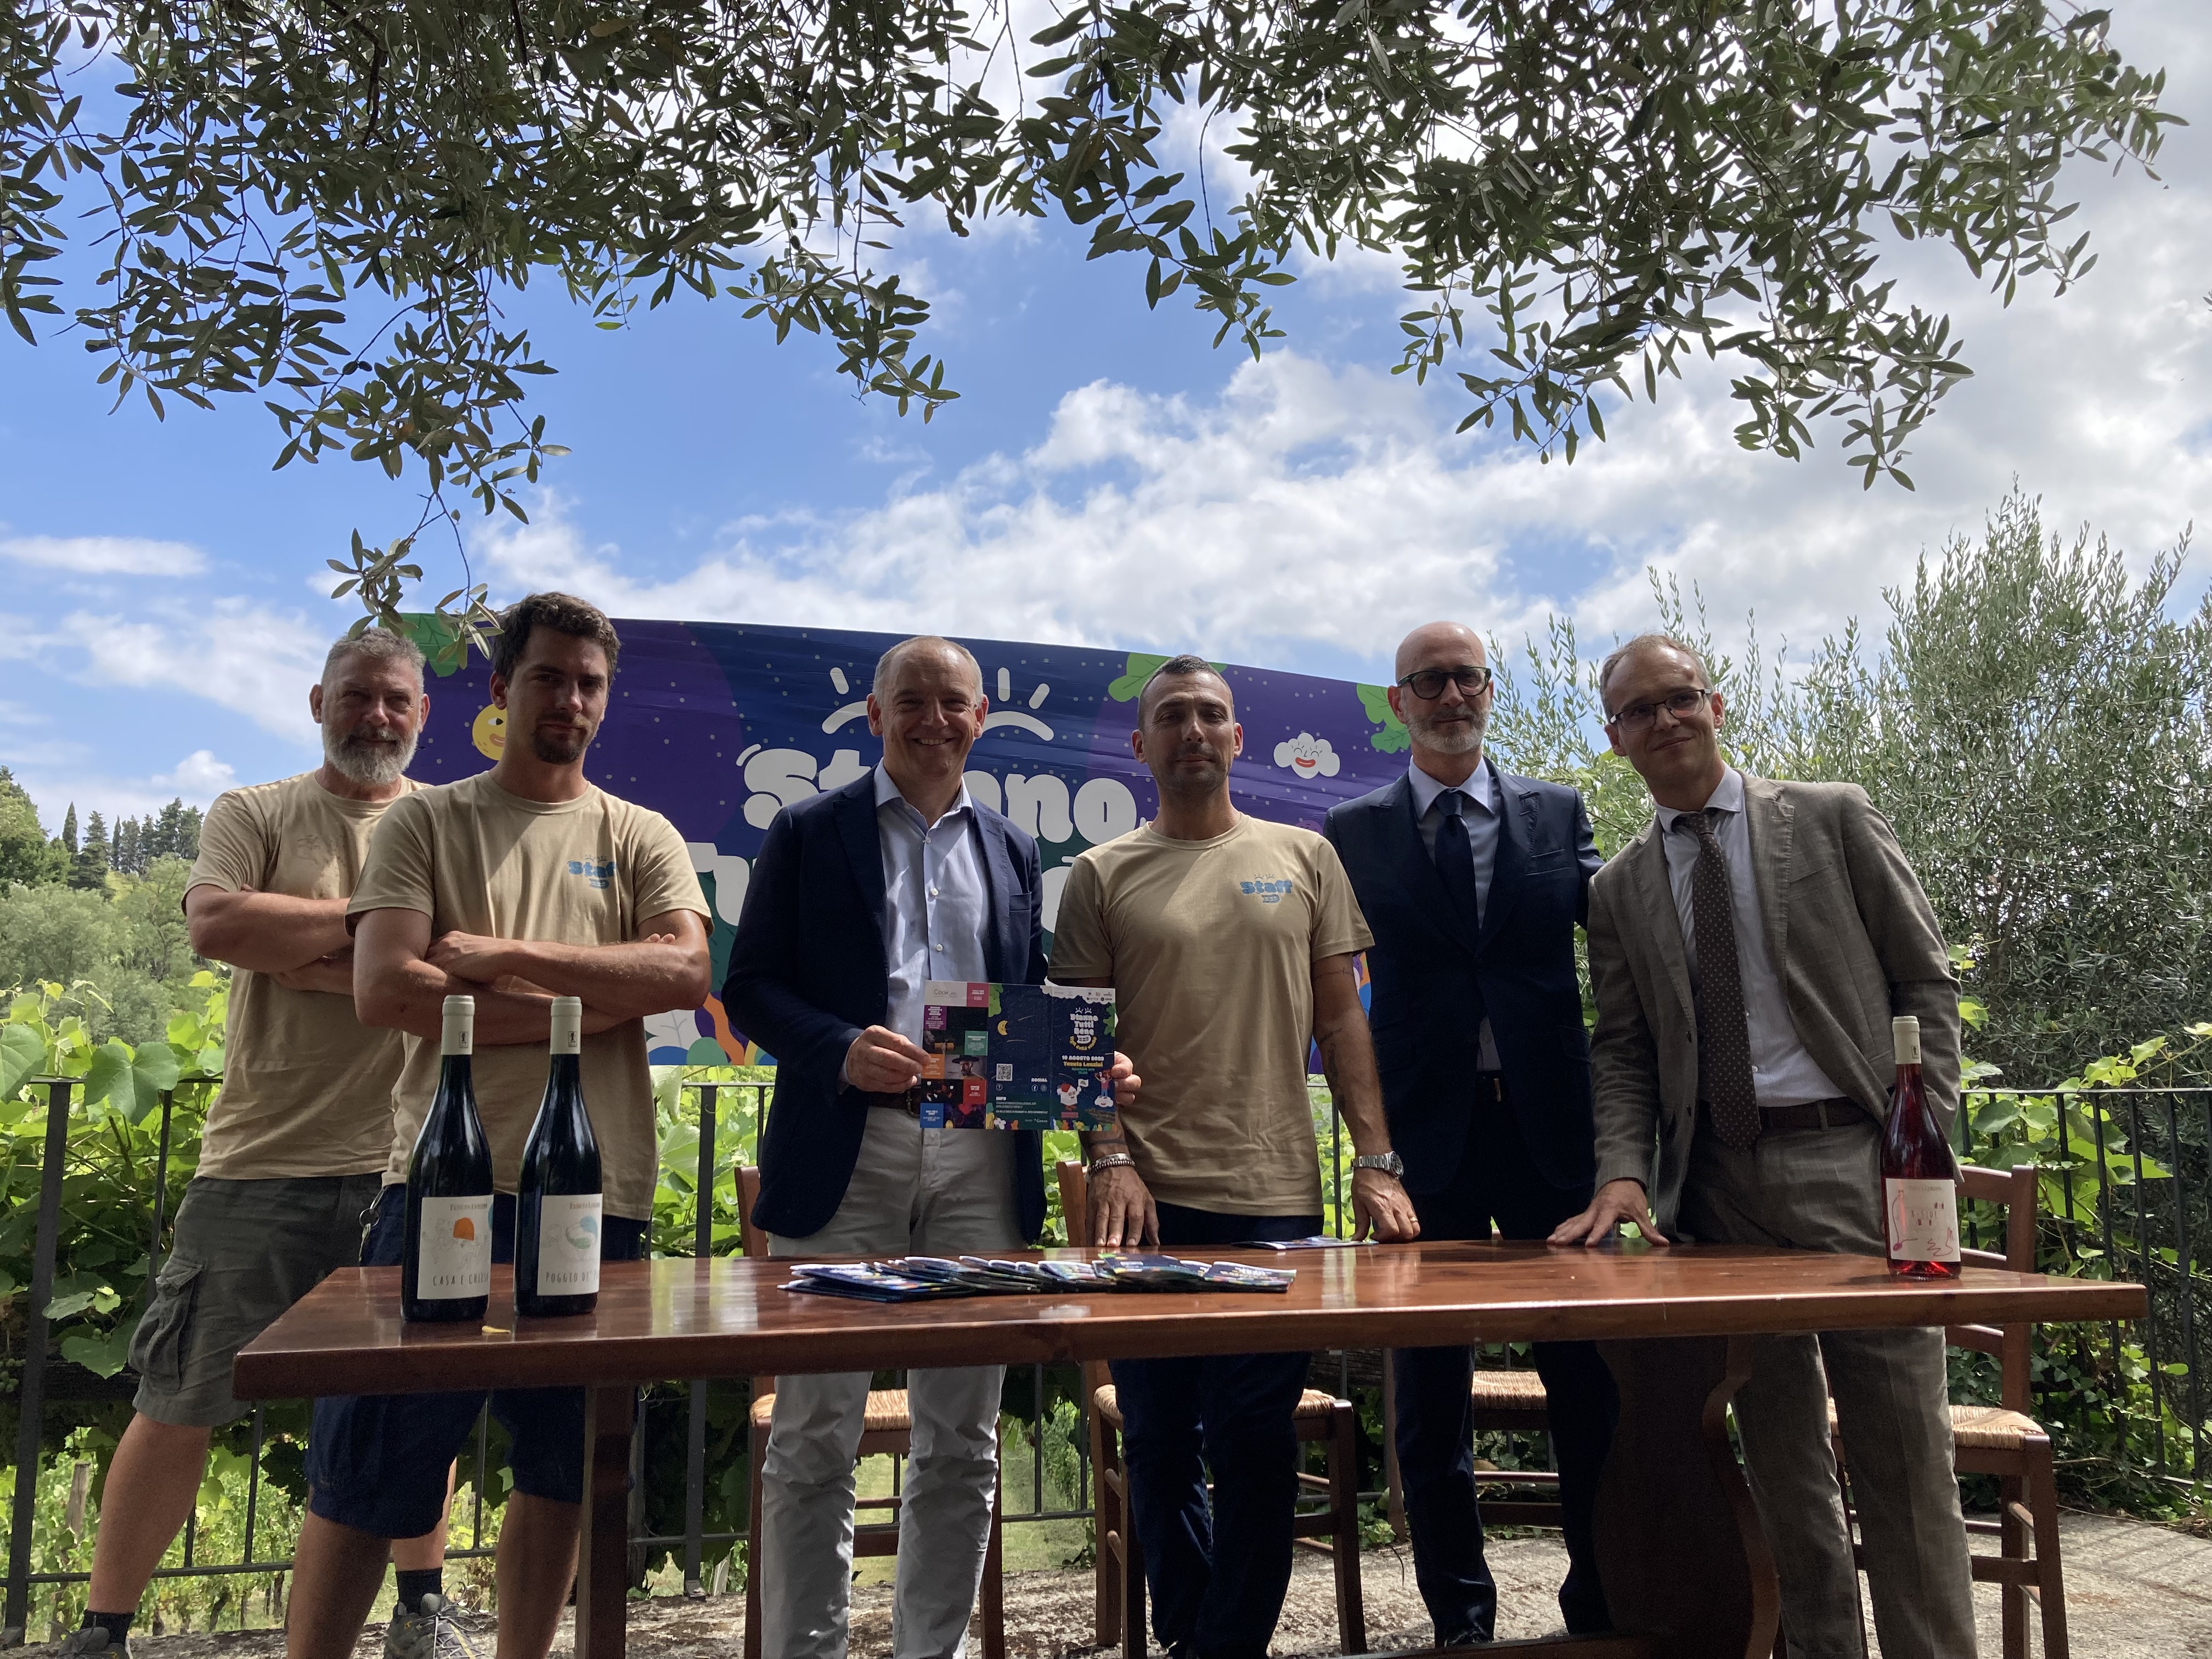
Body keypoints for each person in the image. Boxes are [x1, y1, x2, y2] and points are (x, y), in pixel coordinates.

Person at [286, 592, 711, 1659]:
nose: (570, 699)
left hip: (598, 1196)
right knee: (369, 1463)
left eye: (589, 683)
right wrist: (586, 1010)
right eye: (548, 678)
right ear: (500, 689)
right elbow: (386, 989)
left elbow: (683, 974)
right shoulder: (427, 823)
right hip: (444, 1187)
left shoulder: (640, 835)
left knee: (563, 1465)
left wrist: (501, 960)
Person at [1550, 633, 1975, 1659]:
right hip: (1718, 1195)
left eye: (1680, 697)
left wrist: (1923, 1143)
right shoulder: (1619, 889)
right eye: (1640, 710)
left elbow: (1923, 981)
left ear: (1717, 705)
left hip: (1856, 1166)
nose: (1665, 719)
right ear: (1615, 739)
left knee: (1903, 1454)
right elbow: (1624, 1050)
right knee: (1781, 1462)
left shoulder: (1831, 817)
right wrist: (1624, 1173)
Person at [726, 634, 1138, 1659]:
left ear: (981, 717)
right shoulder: (807, 831)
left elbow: (1023, 995)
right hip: (843, 1156)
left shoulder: (1011, 847)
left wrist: (1088, 1068)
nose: (934, 719)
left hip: (979, 1159)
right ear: (875, 716)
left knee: (963, 1435)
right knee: (813, 1434)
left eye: (954, 702)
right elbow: (750, 987)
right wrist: (835, 1048)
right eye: (911, 700)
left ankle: (931, 1652)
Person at [60, 632, 460, 1659]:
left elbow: (458, 959)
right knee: (181, 1395)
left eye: (396, 700)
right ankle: (105, 1630)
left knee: (415, 1400)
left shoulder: (449, 821)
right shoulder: (255, 812)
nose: (376, 716)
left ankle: (423, 1609)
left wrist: (315, 951)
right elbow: (219, 926)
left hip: (412, 1164)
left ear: (424, 713)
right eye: (357, 696)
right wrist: (379, 934)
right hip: (261, 1160)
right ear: (319, 702)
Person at [1049, 654, 1419, 1659]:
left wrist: (1376, 1158)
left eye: (1211, 714)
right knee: (1160, 1445)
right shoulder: (1102, 874)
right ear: (1142, 745)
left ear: (1238, 738)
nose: (1194, 730)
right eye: (1172, 716)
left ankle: (1222, 1645)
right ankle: (1196, 1635)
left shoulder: (1306, 857)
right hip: (1146, 1210)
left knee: (1255, 1443)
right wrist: (1109, 1153)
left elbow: (1343, 1022)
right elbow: (1079, 1036)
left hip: (1274, 1202)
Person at [1322, 620, 1615, 1643]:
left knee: (1587, 1378)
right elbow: (1325, 985)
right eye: (1431, 680)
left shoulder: (1557, 811)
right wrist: (1371, 1154)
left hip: (1552, 1135)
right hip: (1422, 1146)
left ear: (1490, 691)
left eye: (1469, 678)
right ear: (1398, 701)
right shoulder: (1351, 830)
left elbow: (1622, 941)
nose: (1453, 696)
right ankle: (1462, 1619)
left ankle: (1601, 1602)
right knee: (1430, 1389)